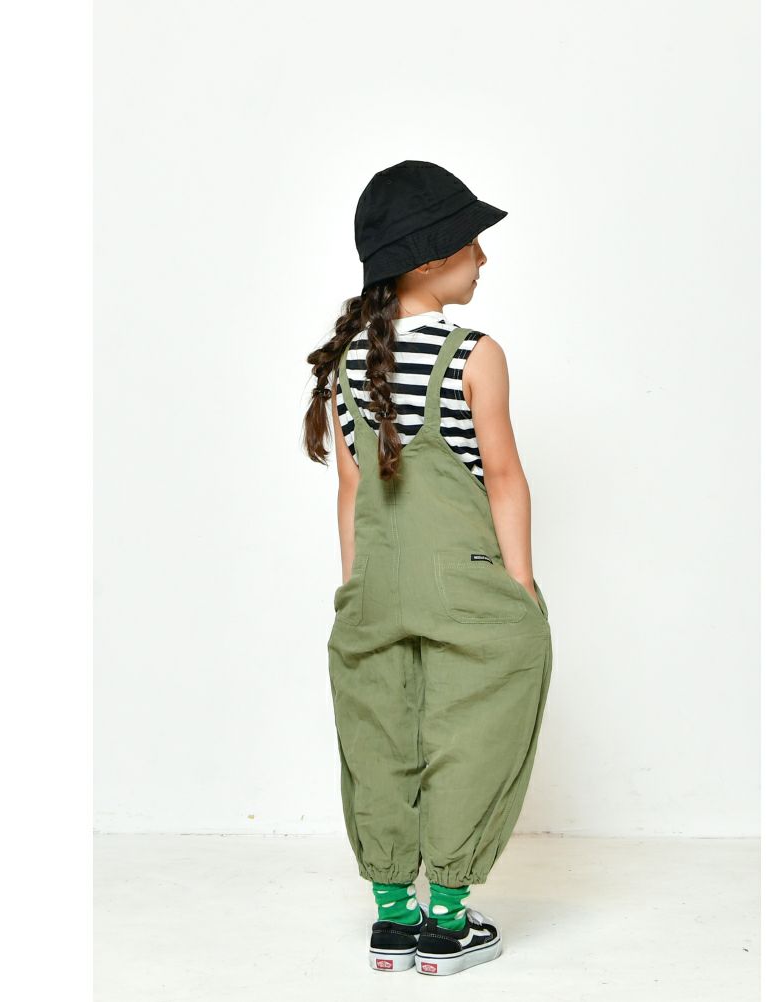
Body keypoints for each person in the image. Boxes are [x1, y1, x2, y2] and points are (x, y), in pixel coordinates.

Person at [302, 160, 553, 976]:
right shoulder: (473, 353)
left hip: (375, 585)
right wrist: (520, 587)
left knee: (379, 735)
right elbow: (503, 477)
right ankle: (446, 920)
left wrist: (356, 590)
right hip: (467, 582)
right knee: (473, 727)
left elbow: (351, 491)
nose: (483, 257)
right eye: (471, 242)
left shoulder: (346, 361)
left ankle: (391, 918)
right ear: (429, 258)